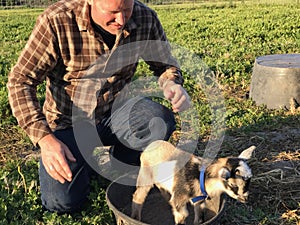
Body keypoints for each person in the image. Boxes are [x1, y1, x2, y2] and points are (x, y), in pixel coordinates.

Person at [7, 0, 191, 214]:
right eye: (113, 12)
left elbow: (165, 64)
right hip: (69, 123)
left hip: (116, 113)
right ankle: (83, 162)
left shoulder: (145, 18)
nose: (121, 20)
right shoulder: (57, 21)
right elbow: (20, 81)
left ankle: (121, 166)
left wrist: (170, 82)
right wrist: (45, 139)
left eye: (126, 9)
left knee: (158, 120)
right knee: (61, 202)